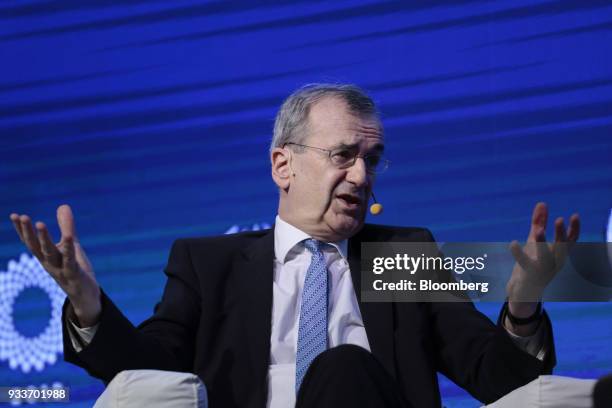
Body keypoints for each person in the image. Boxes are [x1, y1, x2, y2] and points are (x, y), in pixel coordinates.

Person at [10, 84, 580, 408]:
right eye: (343, 156)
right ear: (283, 164)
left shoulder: (401, 255)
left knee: (344, 369)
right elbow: (149, 375)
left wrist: (524, 308)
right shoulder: (210, 265)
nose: (361, 177)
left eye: (372, 160)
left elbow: (500, 382)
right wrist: (88, 305)